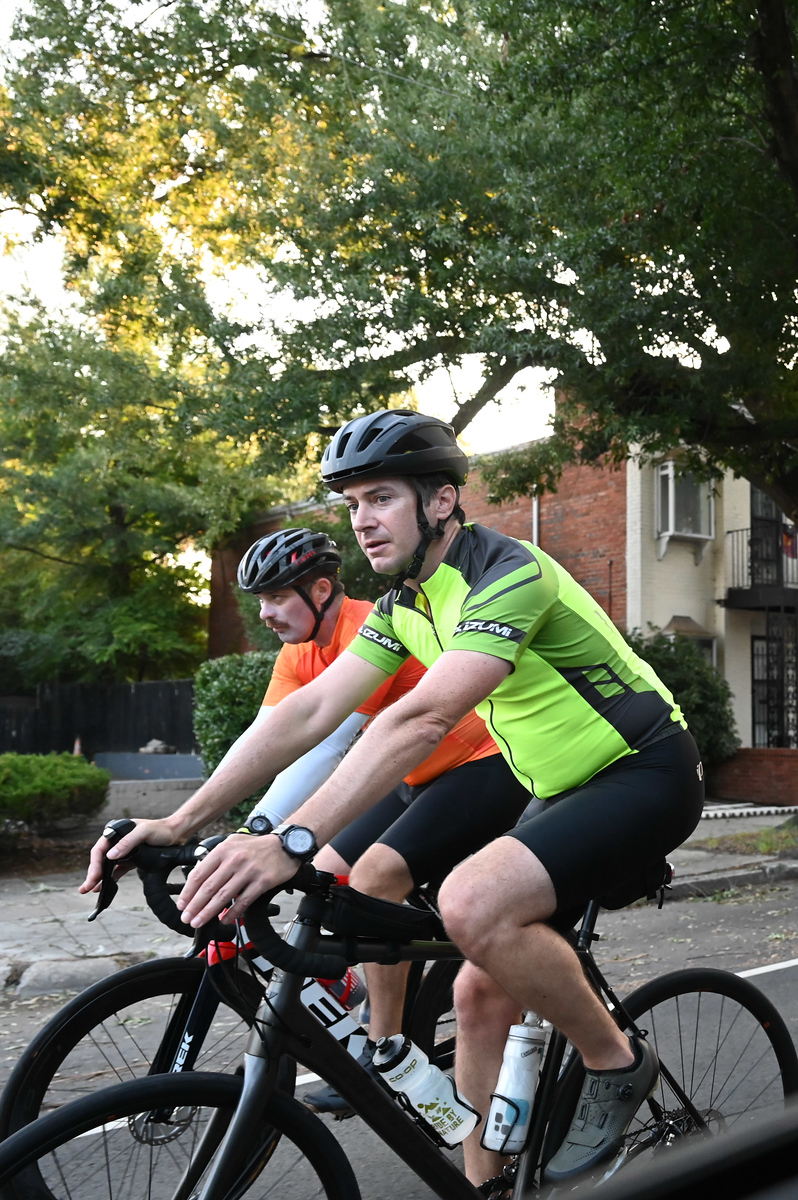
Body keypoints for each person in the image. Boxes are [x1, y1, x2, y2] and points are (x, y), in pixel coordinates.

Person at [85, 409, 703, 1190]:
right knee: (477, 990)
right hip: (559, 790)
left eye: (380, 498)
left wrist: (292, 841)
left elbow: (424, 718)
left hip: (646, 770)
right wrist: (180, 821)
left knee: (469, 903)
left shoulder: (509, 572)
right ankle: (484, 1186)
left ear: (440, 501)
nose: (362, 521)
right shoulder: (405, 605)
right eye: (352, 504)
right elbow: (308, 714)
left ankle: (615, 1060)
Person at [84, 521, 530, 1116]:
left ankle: (386, 1051)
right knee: (323, 871)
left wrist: (258, 837)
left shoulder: (365, 625)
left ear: (321, 591)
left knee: (372, 878)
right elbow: (272, 737)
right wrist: (187, 823)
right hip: (413, 776)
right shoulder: (298, 652)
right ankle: (350, 980)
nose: (264, 613)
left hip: (482, 762)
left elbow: (327, 745)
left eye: (275, 597)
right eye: (259, 600)